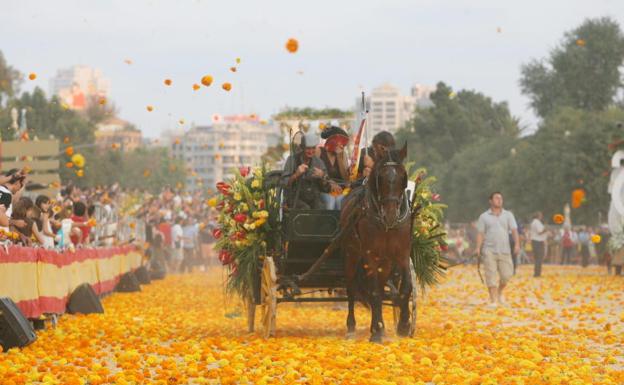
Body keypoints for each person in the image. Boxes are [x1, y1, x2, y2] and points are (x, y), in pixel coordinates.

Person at [475, 192, 520, 307]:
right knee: (491, 276)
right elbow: (480, 233)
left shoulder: (508, 215)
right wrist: (478, 248)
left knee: (506, 275)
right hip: (489, 250)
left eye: (501, 198)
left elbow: (514, 230)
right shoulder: (484, 216)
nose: (499, 200)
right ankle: (494, 300)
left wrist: (517, 244)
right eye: (496, 198)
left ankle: (500, 292)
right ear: (490, 201)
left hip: (505, 250)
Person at [281, 132, 329, 209]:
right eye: (308, 148)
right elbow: (285, 184)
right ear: (302, 147)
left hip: (313, 198)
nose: (311, 151)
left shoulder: (319, 162)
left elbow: (327, 187)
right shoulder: (292, 160)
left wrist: (322, 176)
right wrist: (296, 175)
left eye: (313, 148)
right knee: (305, 209)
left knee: (321, 209)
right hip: (295, 198)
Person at [319, 126, 350, 210]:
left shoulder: (342, 154)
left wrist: (339, 158)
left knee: (340, 201)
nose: (342, 146)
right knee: (330, 201)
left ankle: (339, 223)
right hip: (323, 190)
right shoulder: (319, 152)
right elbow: (316, 173)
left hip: (340, 191)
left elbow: (346, 179)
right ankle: (328, 223)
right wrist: (330, 183)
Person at [530, 212, 548, 277]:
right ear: (538, 216)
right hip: (538, 241)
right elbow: (540, 231)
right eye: (541, 215)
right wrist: (545, 229)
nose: (542, 217)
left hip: (535, 241)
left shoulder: (534, 222)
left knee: (537, 257)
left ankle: (537, 272)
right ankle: (537, 273)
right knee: (539, 257)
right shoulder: (536, 222)